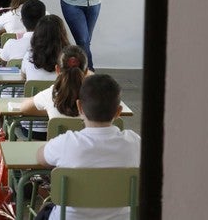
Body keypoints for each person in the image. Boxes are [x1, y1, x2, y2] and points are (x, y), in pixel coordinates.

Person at [36, 74, 140, 220]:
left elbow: (41, 158)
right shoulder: (134, 141)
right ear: (118, 111)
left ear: (79, 107)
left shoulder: (67, 142)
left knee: (46, 209)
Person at [19, 14, 70, 140]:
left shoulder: (29, 57)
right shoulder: (70, 60)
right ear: (63, 35)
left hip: (32, 128)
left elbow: (22, 78)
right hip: (66, 128)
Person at [19, 45, 89, 119]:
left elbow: (23, 107)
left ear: (57, 70)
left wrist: (48, 109)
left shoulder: (50, 95)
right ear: (86, 72)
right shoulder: (97, 97)